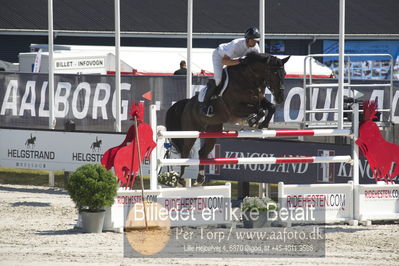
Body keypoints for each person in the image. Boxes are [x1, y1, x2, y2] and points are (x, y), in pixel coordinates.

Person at [200, 26, 261, 117]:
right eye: (253, 40)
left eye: (257, 40)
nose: (255, 42)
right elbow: (224, 61)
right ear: (247, 39)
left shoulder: (256, 48)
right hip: (220, 56)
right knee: (218, 80)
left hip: (234, 59)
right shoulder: (236, 44)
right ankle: (205, 105)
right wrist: (239, 61)